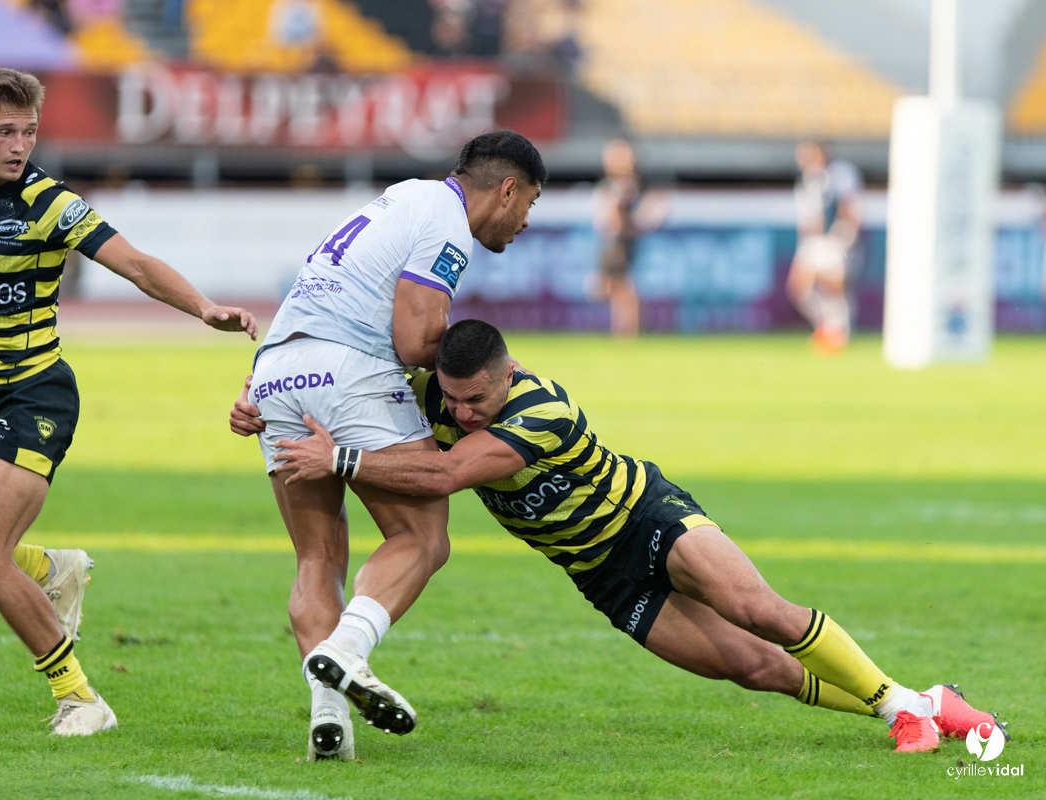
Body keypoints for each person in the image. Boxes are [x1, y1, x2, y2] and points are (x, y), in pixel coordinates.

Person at [268, 319, 1009, 754]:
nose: (463, 412)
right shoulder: (434, 395)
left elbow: (442, 476)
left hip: (646, 519)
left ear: (510, 374)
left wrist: (339, 456)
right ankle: (924, 699)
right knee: (755, 669)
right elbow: (368, 397)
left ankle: (899, 709)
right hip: (602, 575)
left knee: (761, 611)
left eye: (477, 399)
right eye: (453, 400)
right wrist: (262, 404)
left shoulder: (539, 409)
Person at [0, 67, 258, 736]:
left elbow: (135, 262)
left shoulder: (49, 203)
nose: (19, 146)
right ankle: (50, 567)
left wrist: (203, 307)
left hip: (37, 394)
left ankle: (82, 699)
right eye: (5, 132)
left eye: (29, 132)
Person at [230, 131, 545, 761]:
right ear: (506, 188)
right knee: (423, 538)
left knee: (317, 558)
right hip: (352, 373)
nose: (525, 222)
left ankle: (329, 721)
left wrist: (265, 389)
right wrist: (496, 370)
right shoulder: (449, 223)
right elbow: (414, 340)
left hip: (277, 372)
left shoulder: (400, 198)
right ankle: (346, 650)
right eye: (528, 205)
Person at [787, 141, 863, 355]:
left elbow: (850, 206)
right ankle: (828, 327)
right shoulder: (807, 181)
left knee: (833, 287)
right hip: (811, 242)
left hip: (834, 239)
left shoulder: (840, 173)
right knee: (800, 289)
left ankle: (839, 334)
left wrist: (845, 237)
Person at [589, 139, 666, 337]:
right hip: (615, 246)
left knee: (624, 293)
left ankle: (628, 335)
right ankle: (625, 334)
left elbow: (652, 212)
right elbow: (606, 223)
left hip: (629, 246)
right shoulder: (610, 188)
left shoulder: (637, 186)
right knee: (612, 291)